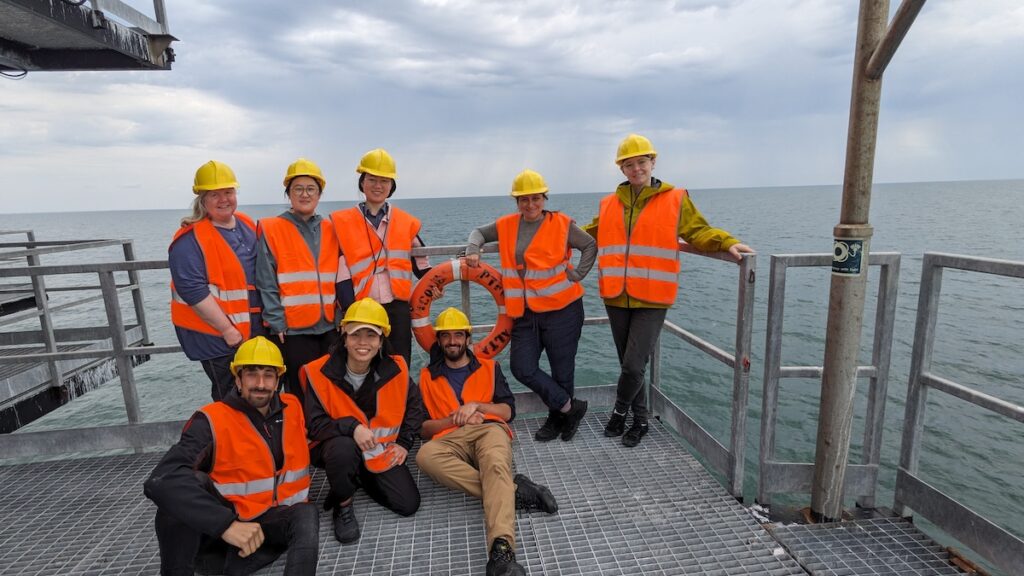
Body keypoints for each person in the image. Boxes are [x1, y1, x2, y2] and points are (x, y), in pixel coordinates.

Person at [585, 134, 754, 447]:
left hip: (652, 297)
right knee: (629, 366)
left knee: (634, 365)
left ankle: (620, 413)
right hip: (616, 296)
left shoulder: (674, 198)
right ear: (621, 169)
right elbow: (587, 234)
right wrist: (549, 233)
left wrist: (726, 242)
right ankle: (641, 421)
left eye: (641, 162)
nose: (636, 168)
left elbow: (697, 230)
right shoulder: (609, 204)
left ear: (653, 162)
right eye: (629, 164)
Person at [143, 336, 318, 576]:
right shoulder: (211, 420)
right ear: (237, 379)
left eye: (268, 375)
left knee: (306, 513)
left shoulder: (292, 407)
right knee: (183, 488)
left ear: (278, 381)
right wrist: (225, 524)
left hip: (270, 530)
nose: (260, 383)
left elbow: (320, 429)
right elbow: (161, 479)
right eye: (251, 374)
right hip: (224, 534)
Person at [416, 308, 558, 576]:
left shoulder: (490, 368)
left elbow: (508, 412)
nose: (452, 341)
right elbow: (423, 430)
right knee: (424, 457)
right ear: (439, 341)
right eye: (445, 336)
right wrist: (454, 420)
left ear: (468, 338)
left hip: (488, 429)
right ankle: (515, 490)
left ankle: (502, 552)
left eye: (458, 335)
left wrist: (477, 406)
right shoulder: (426, 377)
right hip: (449, 438)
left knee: (494, 465)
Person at [465, 169, 596, 442]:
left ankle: (557, 419)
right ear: (517, 202)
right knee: (522, 367)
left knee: (563, 370)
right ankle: (571, 408)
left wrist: (579, 273)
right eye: (523, 199)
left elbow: (590, 245)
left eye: (535, 198)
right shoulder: (507, 224)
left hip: (563, 310)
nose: (530, 204)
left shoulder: (561, 224)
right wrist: (472, 249)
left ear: (544, 198)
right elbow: (478, 233)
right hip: (524, 313)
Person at [300, 297, 424, 544]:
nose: (363, 343)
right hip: (335, 446)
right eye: (356, 335)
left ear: (381, 341)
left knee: (408, 504)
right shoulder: (318, 372)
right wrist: (352, 427)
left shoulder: (396, 369)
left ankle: (358, 476)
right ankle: (343, 504)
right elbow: (315, 426)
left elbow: (414, 408)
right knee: (343, 450)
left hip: (378, 450)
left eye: (371, 335)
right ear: (344, 337)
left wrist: (404, 443)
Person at [170, 160, 265, 401]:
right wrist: (226, 330)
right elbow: (191, 290)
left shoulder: (244, 223)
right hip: (217, 337)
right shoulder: (189, 240)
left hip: (249, 331)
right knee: (230, 397)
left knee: (257, 395)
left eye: (228, 192)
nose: (224, 199)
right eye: (215, 194)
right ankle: (228, 439)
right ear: (201, 199)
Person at [330, 148, 432, 366]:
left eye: (384, 181)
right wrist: (349, 310)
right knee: (363, 362)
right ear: (362, 183)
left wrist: (433, 284)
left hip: (398, 306)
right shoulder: (342, 223)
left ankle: (398, 400)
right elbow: (341, 273)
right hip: (362, 306)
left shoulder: (405, 222)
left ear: (391, 186)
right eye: (372, 179)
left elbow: (421, 261)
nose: (378, 186)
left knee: (398, 361)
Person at [255, 158, 339, 406]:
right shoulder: (272, 228)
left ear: (319, 193)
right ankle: (302, 438)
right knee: (299, 390)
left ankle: (328, 438)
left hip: (330, 327)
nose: (305, 194)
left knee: (329, 387)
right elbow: (266, 280)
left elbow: (340, 276)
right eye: (298, 189)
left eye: (311, 188)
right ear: (288, 194)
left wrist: (341, 316)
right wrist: (276, 321)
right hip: (293, 329)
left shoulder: (330, 227)